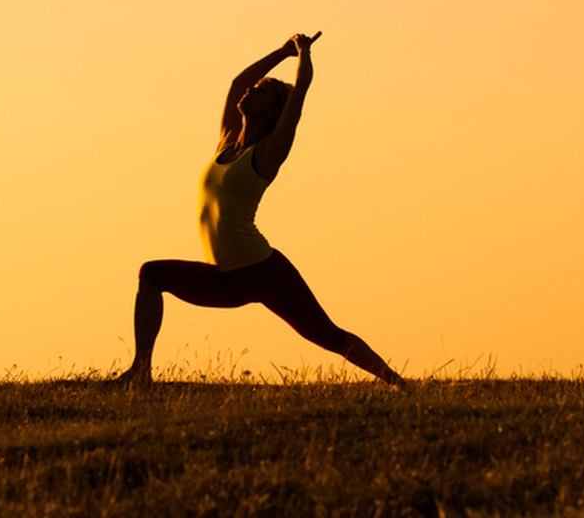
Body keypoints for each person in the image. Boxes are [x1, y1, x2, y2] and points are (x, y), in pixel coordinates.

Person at [116, 33, 404, 386]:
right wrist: (281, 52)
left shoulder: (268, 153)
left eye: (262, 91)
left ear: (271, 111)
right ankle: (141, 371)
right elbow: (238, 83)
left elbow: (300, 93)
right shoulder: (226, 141)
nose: (251, 90)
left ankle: (399, 384)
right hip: (224, 277)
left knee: (327, 335)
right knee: (152, 274)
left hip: (261, 270)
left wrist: (303, 54)